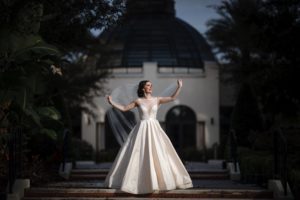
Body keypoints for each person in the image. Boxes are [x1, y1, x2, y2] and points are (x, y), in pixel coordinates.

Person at [104, 79, 193, 194]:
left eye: (151, 85)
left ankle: (160, 182)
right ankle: (137, 183)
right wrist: (112, 103)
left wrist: (179, 87)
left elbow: (172, 98)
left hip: (154, 129)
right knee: (139, 154)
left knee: (159, 153)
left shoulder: (157, 99)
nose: (150, 87)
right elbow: (125, 109)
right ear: (143, 88)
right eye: (148, 85)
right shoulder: (138, 101)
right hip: (142, 129)